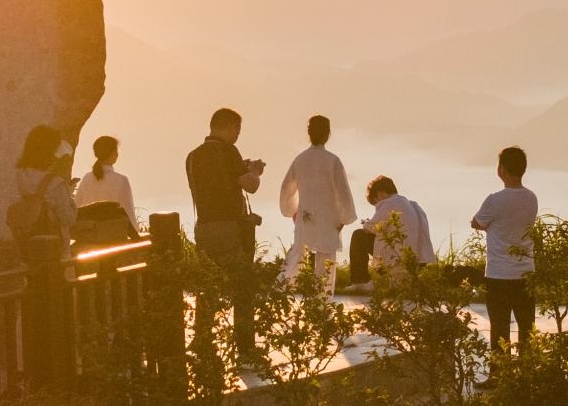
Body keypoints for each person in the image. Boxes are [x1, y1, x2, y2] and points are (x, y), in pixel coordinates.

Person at [186, 107, 265, 357]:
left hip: (204, 228)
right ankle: (245, 348)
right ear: (229, 127)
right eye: (237, 130)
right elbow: (250, 186)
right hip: (230, 230)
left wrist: (240, 167)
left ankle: (203, 342)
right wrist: (254, 171)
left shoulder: (192, 156)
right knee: (242, 287)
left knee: (208, 288)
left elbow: (213, 183)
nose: (237, 136)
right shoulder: (228, 151)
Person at [471, 146, 538, 390]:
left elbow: (476, 222)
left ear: (502, 170)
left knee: (499, 326)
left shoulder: (494, 200)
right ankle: (527, 373)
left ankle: (499, 376)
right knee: (526, 325)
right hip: (526, 271)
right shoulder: (531, 197)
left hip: (499, 272)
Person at [280, 115, 357, 294]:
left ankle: (281, 291)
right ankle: (322, 303)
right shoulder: (333, 161)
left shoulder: (300, 160)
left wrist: (292, 210)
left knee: (298, 255)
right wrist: (343, 218)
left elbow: (287, 188)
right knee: (326, 260)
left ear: (309, 133)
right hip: (328, 216)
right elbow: (343, 193)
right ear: (328, 134)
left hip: (305, 214)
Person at [345, 175, 435, 293]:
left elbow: (371, 228)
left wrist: (367, 223)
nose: (377, 206)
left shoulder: (390, 203)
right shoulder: (413, 205)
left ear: (379, 193)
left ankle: (360, 282)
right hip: (418, 263)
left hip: (397, 261)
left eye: (375, 202)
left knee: (359, 235)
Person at [15, 125, 78, 260]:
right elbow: (67, 219)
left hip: (28, 247)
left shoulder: (21, 175)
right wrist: (70, 196)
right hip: (54, 250)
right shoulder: (56, 183)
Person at [75, 136, 137, 229]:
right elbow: (129, 213)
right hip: (114, 235)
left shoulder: (87, 178)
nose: (117, 154)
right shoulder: (121, 180)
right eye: (116, 151)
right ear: (112, 153)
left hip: (90, 234)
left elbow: (77, 209)